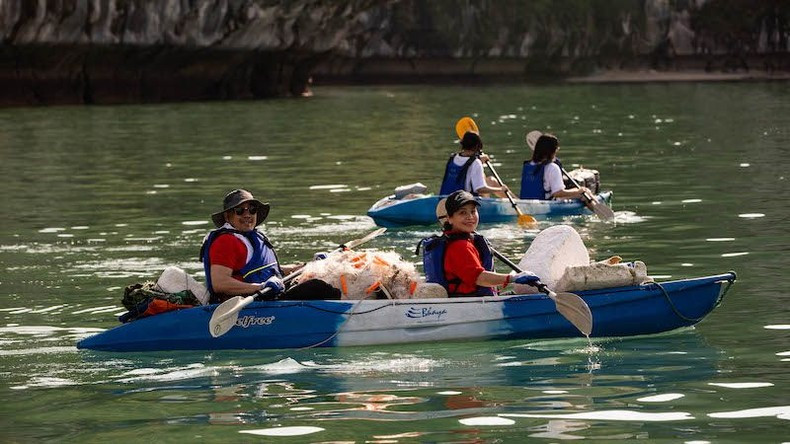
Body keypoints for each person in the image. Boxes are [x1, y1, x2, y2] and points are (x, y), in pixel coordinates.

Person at [200, 189, 339, 303]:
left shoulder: (251, 237)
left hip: (270, 296)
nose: (247, 214)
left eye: (252, 209)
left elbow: (270, 271)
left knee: (324, 278)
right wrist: (260, 287)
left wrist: (309, 266)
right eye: (240, 210)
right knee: (317, 288)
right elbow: (220, 283)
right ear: (227, 216)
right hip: (248, 304)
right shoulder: (225, 241)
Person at [419, 190, 540, 297]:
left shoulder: (463, 240)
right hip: (469, 301)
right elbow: (480, 278)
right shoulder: (460, 246)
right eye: (462, 213)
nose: (470, 217)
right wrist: (513, 278)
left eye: (473, 211)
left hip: (476, 298)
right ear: (449, 218)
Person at [519, 133, 590, 200]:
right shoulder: (552, 167)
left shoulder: (528, 165)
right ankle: (593, 206)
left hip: (526, 201)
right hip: (546, 203)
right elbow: (557, 193)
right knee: (585, 193)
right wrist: (579, 191)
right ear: (553, 151)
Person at [439, 131, 509, 197]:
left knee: (490, 180)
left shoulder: (453, 158)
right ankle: (515, 201)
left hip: (444, 199)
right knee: (492, 181)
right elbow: (480, 189)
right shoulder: (476, 163)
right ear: (477, 146)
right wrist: (501, 189)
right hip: (464, 202)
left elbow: (466, 165)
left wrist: (479, 159)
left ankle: (515, 200)